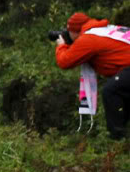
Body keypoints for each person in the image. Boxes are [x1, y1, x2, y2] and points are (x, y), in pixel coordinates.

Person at [54, 13, 130, 141]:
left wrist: (62, 45)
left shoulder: (89, 39)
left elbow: (64, 61)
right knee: (122, 90)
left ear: (74, 31)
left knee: (110, 91)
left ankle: (117, 139)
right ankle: (124, 139)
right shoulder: (107, 29)